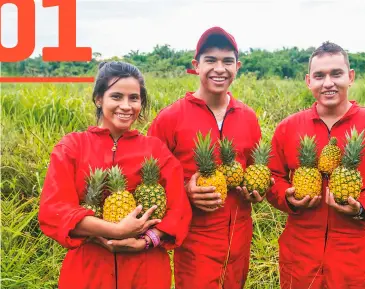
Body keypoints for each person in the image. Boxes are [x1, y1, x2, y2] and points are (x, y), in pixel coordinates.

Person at [38, 61, 192, 289]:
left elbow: (179, 209)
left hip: (146, 271)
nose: (126, 106)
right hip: (89, 269)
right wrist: (116, 230)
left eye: (134, 98)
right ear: (99, 99)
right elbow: (54, 210)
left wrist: (148, 240)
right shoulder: (72, 147)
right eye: (117, 96)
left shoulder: (155, 150)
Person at [267, 41, 365, 289]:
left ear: (350, 77)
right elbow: (273, 177)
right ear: (309, 81)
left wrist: (364, 208)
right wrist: (286, 197)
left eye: (336, 74)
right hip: (299, 251)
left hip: (353, 252)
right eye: (319, 76)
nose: (328, 83)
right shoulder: (288, 128)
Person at [148, 26, 270, 289]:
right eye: (210, 60)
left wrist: (256, 190)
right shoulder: (170, 118)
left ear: (237, 66)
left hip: (240, 236)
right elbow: (148, 182)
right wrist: (185, 192)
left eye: (227, 61)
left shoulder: (248, 117)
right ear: (196, 65)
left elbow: (254, 169)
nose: (219, 68)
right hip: (195, 240)